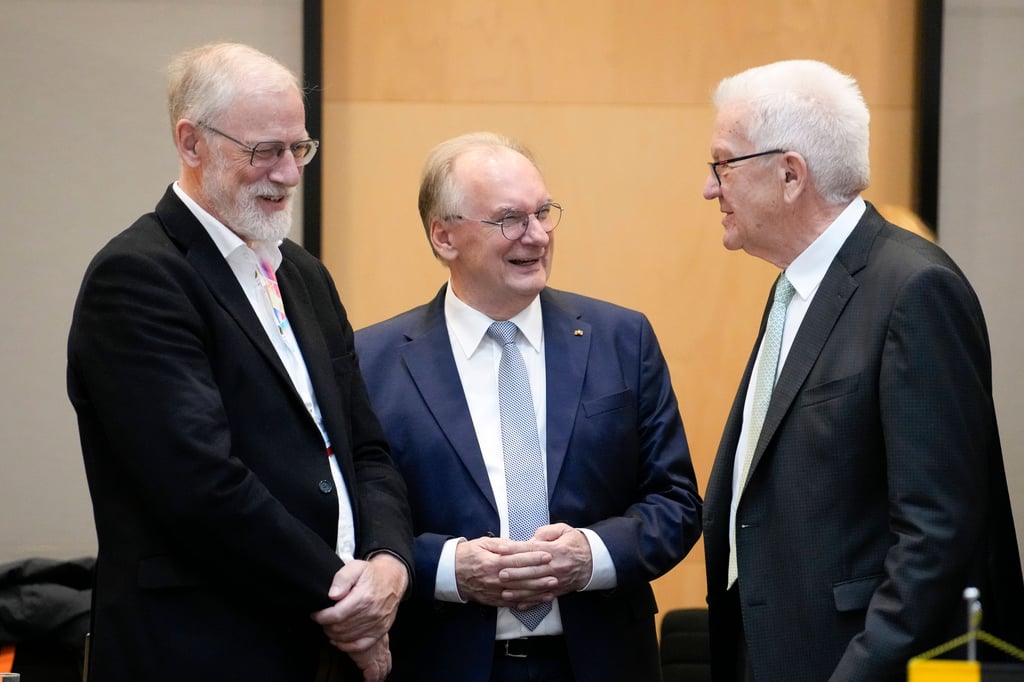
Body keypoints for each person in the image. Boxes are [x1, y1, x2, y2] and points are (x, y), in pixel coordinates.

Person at [66, 42, 413, 682]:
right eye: (264, 151)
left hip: (324, 650)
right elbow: (200, 487)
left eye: (298, 149)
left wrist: (390, 563)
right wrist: (344, 599)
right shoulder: (138, 278)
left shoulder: (304, 273)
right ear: (191, 142)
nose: (287, 173)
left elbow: (366, 450)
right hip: (203, 650)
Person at [700, 59, 1024, 681]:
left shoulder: (914, 289)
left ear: (789, 174)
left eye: (723, 164)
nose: (711, 189)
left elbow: (938, 534)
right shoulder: (795, 288)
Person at [354, 131, 703, 681]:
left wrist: (593, 555)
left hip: (602, 662)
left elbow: (676, 501)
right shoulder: (369, 362)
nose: (537, 235)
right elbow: (352, 523)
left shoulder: (622, 338)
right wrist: (449, 569)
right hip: (440, 662)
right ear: (444, 236)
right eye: (510, 219)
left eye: (543, 212)